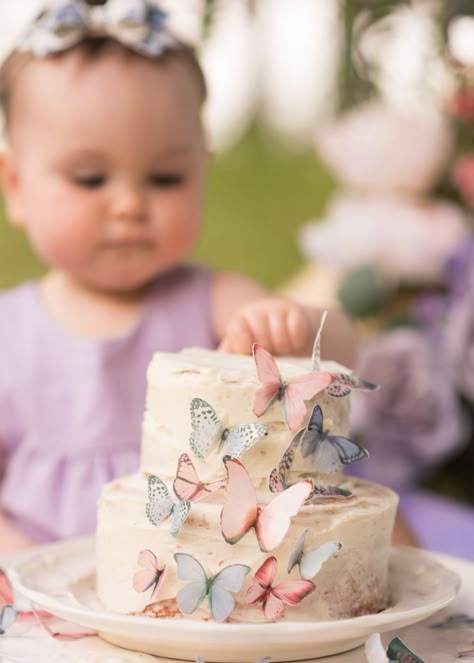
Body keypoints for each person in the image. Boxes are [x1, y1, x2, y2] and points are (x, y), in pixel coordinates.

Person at [0, 0, 356, 554]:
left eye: (165, 178)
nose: (128, 205)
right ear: (16, 186)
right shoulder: (10, 333)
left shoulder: (213, 299)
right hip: (44, 580)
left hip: (200, 566)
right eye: (91, 178)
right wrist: (20, 565)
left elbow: (341, 351)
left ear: (201, 170)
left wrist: (292, 324)